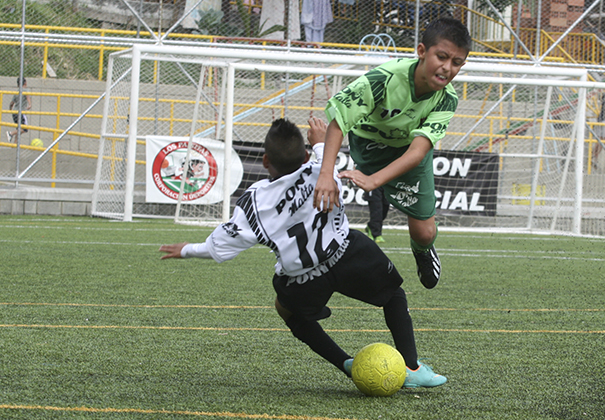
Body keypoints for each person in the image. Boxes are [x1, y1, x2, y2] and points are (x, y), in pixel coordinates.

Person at [159, 117, 447, 389]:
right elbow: (326, 150)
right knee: (393, 292)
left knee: (285, 308)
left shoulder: (253, 203)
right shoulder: (322, 165)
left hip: (303, 277)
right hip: (348, 253)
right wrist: (320, 141)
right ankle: (411, 367)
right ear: (306, 155)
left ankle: (344, 363)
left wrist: (186, 250)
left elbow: (216, 247)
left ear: (265, 161)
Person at [314, 17, 471, 290]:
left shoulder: (447, 98)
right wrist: (325, 174)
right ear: (422, 51)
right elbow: (339, 122)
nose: (447, 68)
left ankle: (423, 251)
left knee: (425, 233)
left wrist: (375, 181)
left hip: (410, 152)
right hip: (369, 145)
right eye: (442, 57)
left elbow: (419, 151)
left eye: (456, 63)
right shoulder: (382, 79)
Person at [7, 77, 31, 143]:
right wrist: (29, 104)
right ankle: (11, 133)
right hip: (21, 112)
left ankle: (15, 144)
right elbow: (27, 96)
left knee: (19, 129)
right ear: (25, 83)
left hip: (15, 112)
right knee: (25, 129)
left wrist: (10, 110)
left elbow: (11, 103)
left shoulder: (17, 92)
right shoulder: (25, 90)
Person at [592, 92, 605, 170]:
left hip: (601, 120)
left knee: (600, 140)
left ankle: (594, 156)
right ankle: (594, 156)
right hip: (604, 121)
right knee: (602, 140)